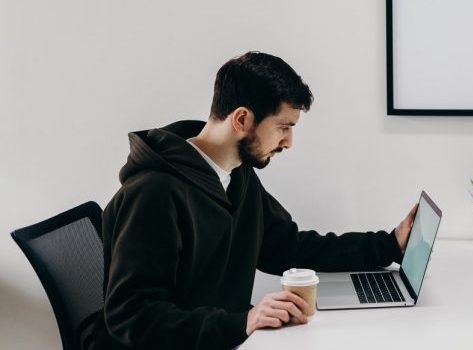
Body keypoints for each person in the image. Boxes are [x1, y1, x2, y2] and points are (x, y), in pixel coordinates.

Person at [85, 51, 417, 350]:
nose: (289, 142)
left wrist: (388, 245)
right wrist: (242, 322)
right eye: (283, 127)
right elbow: (132, 316)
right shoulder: (154, 192)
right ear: (242, 119)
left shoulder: (238, 176)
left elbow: (286, 247)